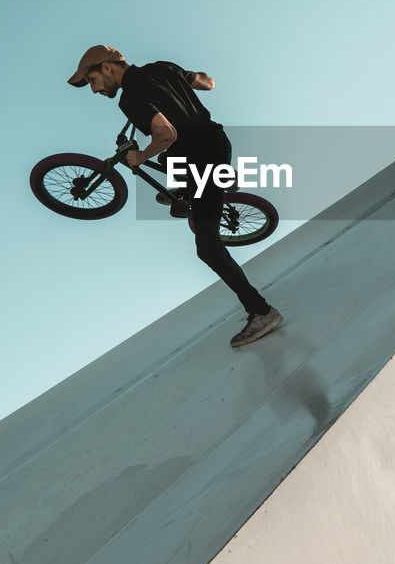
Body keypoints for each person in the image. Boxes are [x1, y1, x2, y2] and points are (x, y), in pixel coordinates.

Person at [67, 44, 284, 348]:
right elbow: (207, 82)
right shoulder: (162, 68)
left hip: (200, 160)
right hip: (216, 141)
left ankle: (261, 312)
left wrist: (141, 156)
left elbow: (167, 134)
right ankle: (209, 181)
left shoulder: (129, 98)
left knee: (208, 249)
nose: (94, 91)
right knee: (170, 161)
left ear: (106, 67)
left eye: (91, 81)